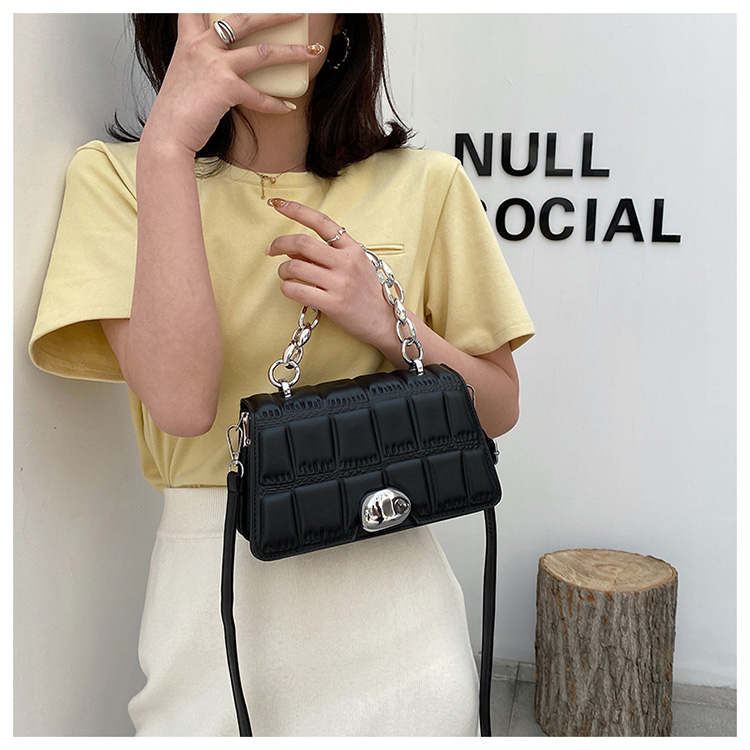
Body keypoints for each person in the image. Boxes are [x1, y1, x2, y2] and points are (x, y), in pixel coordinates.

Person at [28, 13, 534, 737]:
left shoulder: (427, 183)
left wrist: (385, 318)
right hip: (211, 617)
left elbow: (498, 407)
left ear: (344, 23)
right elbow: (181, 403)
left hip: (400, 621)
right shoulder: (117, 178)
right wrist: (168, 147)